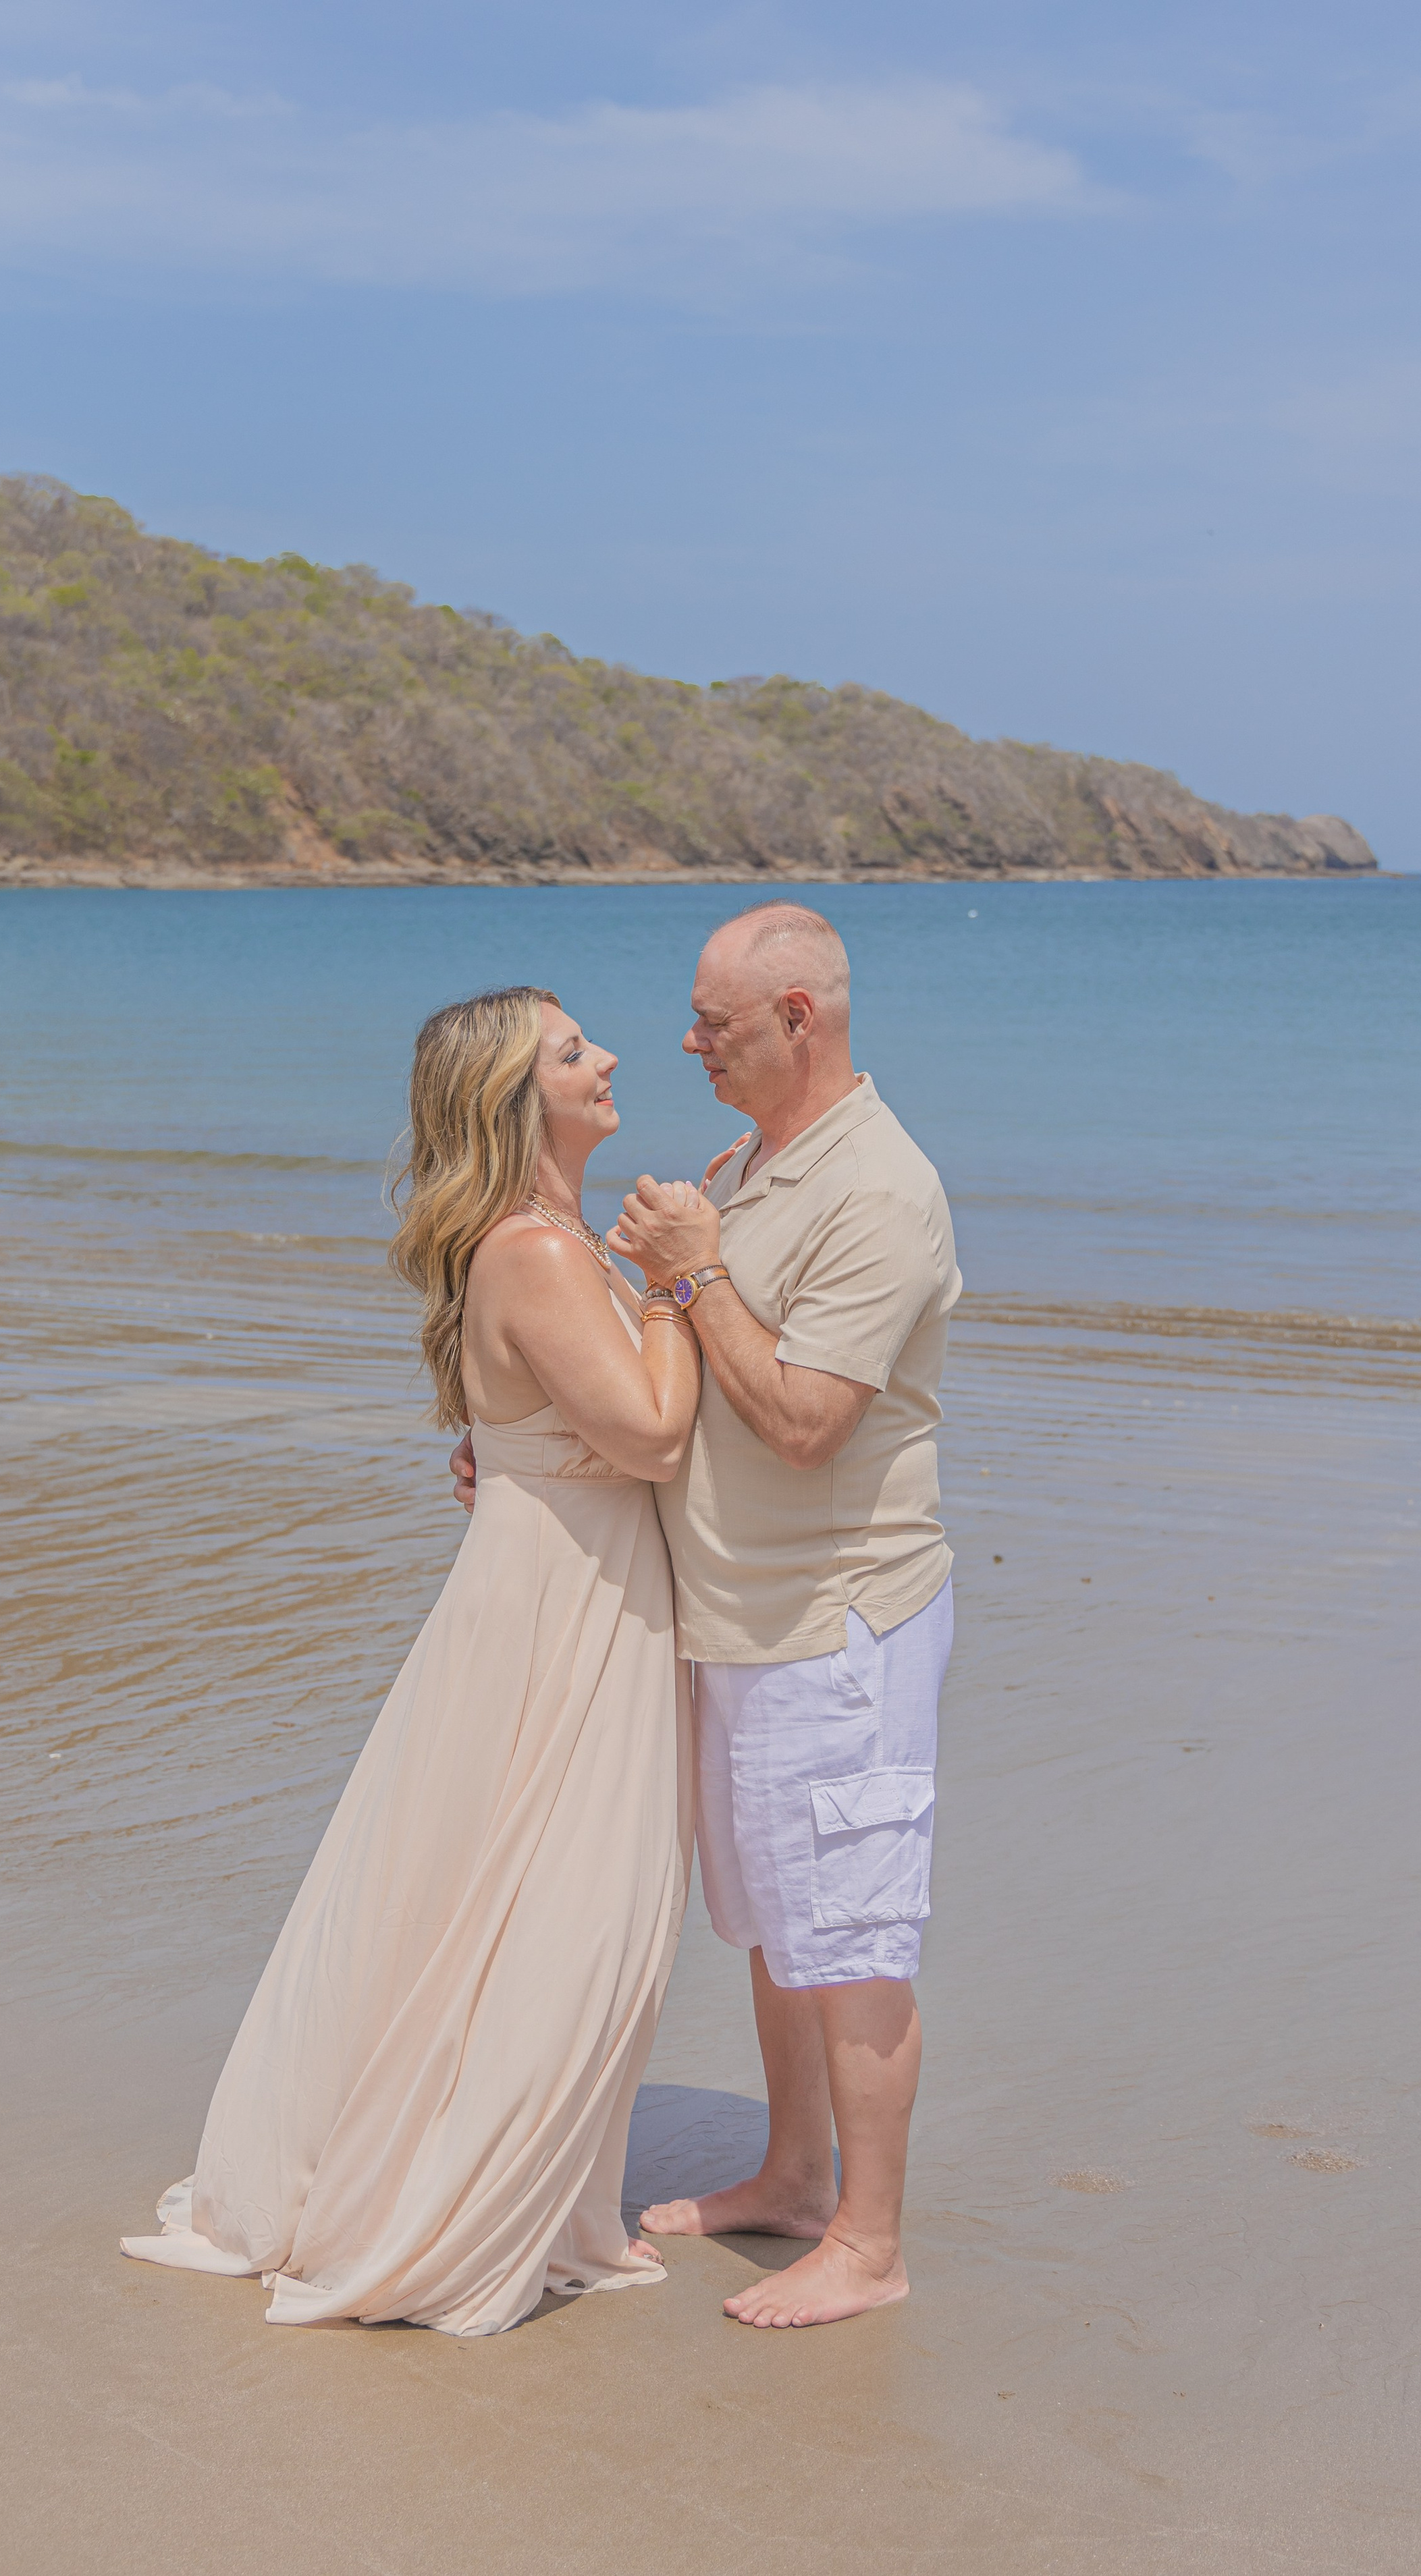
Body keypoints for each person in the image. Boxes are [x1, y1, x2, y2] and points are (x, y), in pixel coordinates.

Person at [121, 986, 703, 2337]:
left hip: (567, 1585)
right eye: (572, 1051)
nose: (606, 1056)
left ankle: (483, 2167)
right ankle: (442, 2194)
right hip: (562, 1605)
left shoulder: (551, 1240)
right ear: (517, 1100)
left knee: (508, 1903)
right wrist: (683, 1278)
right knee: (556, 1910)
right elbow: (654, 1439)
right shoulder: (543, 1253)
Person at [453, 903, 961, 2330]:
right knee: (773, 1922)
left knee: (852, 1935)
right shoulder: (757, 1158)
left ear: (796, 1016)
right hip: (733, 1616)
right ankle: (794, 2175)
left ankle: (867, 2242)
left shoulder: (879, 1189)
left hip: (833, 1616)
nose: (686, 1044)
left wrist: (690, 1265)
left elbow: (801, 1418)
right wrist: (519, 1438)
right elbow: (643, 1363)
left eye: (715, 1023)